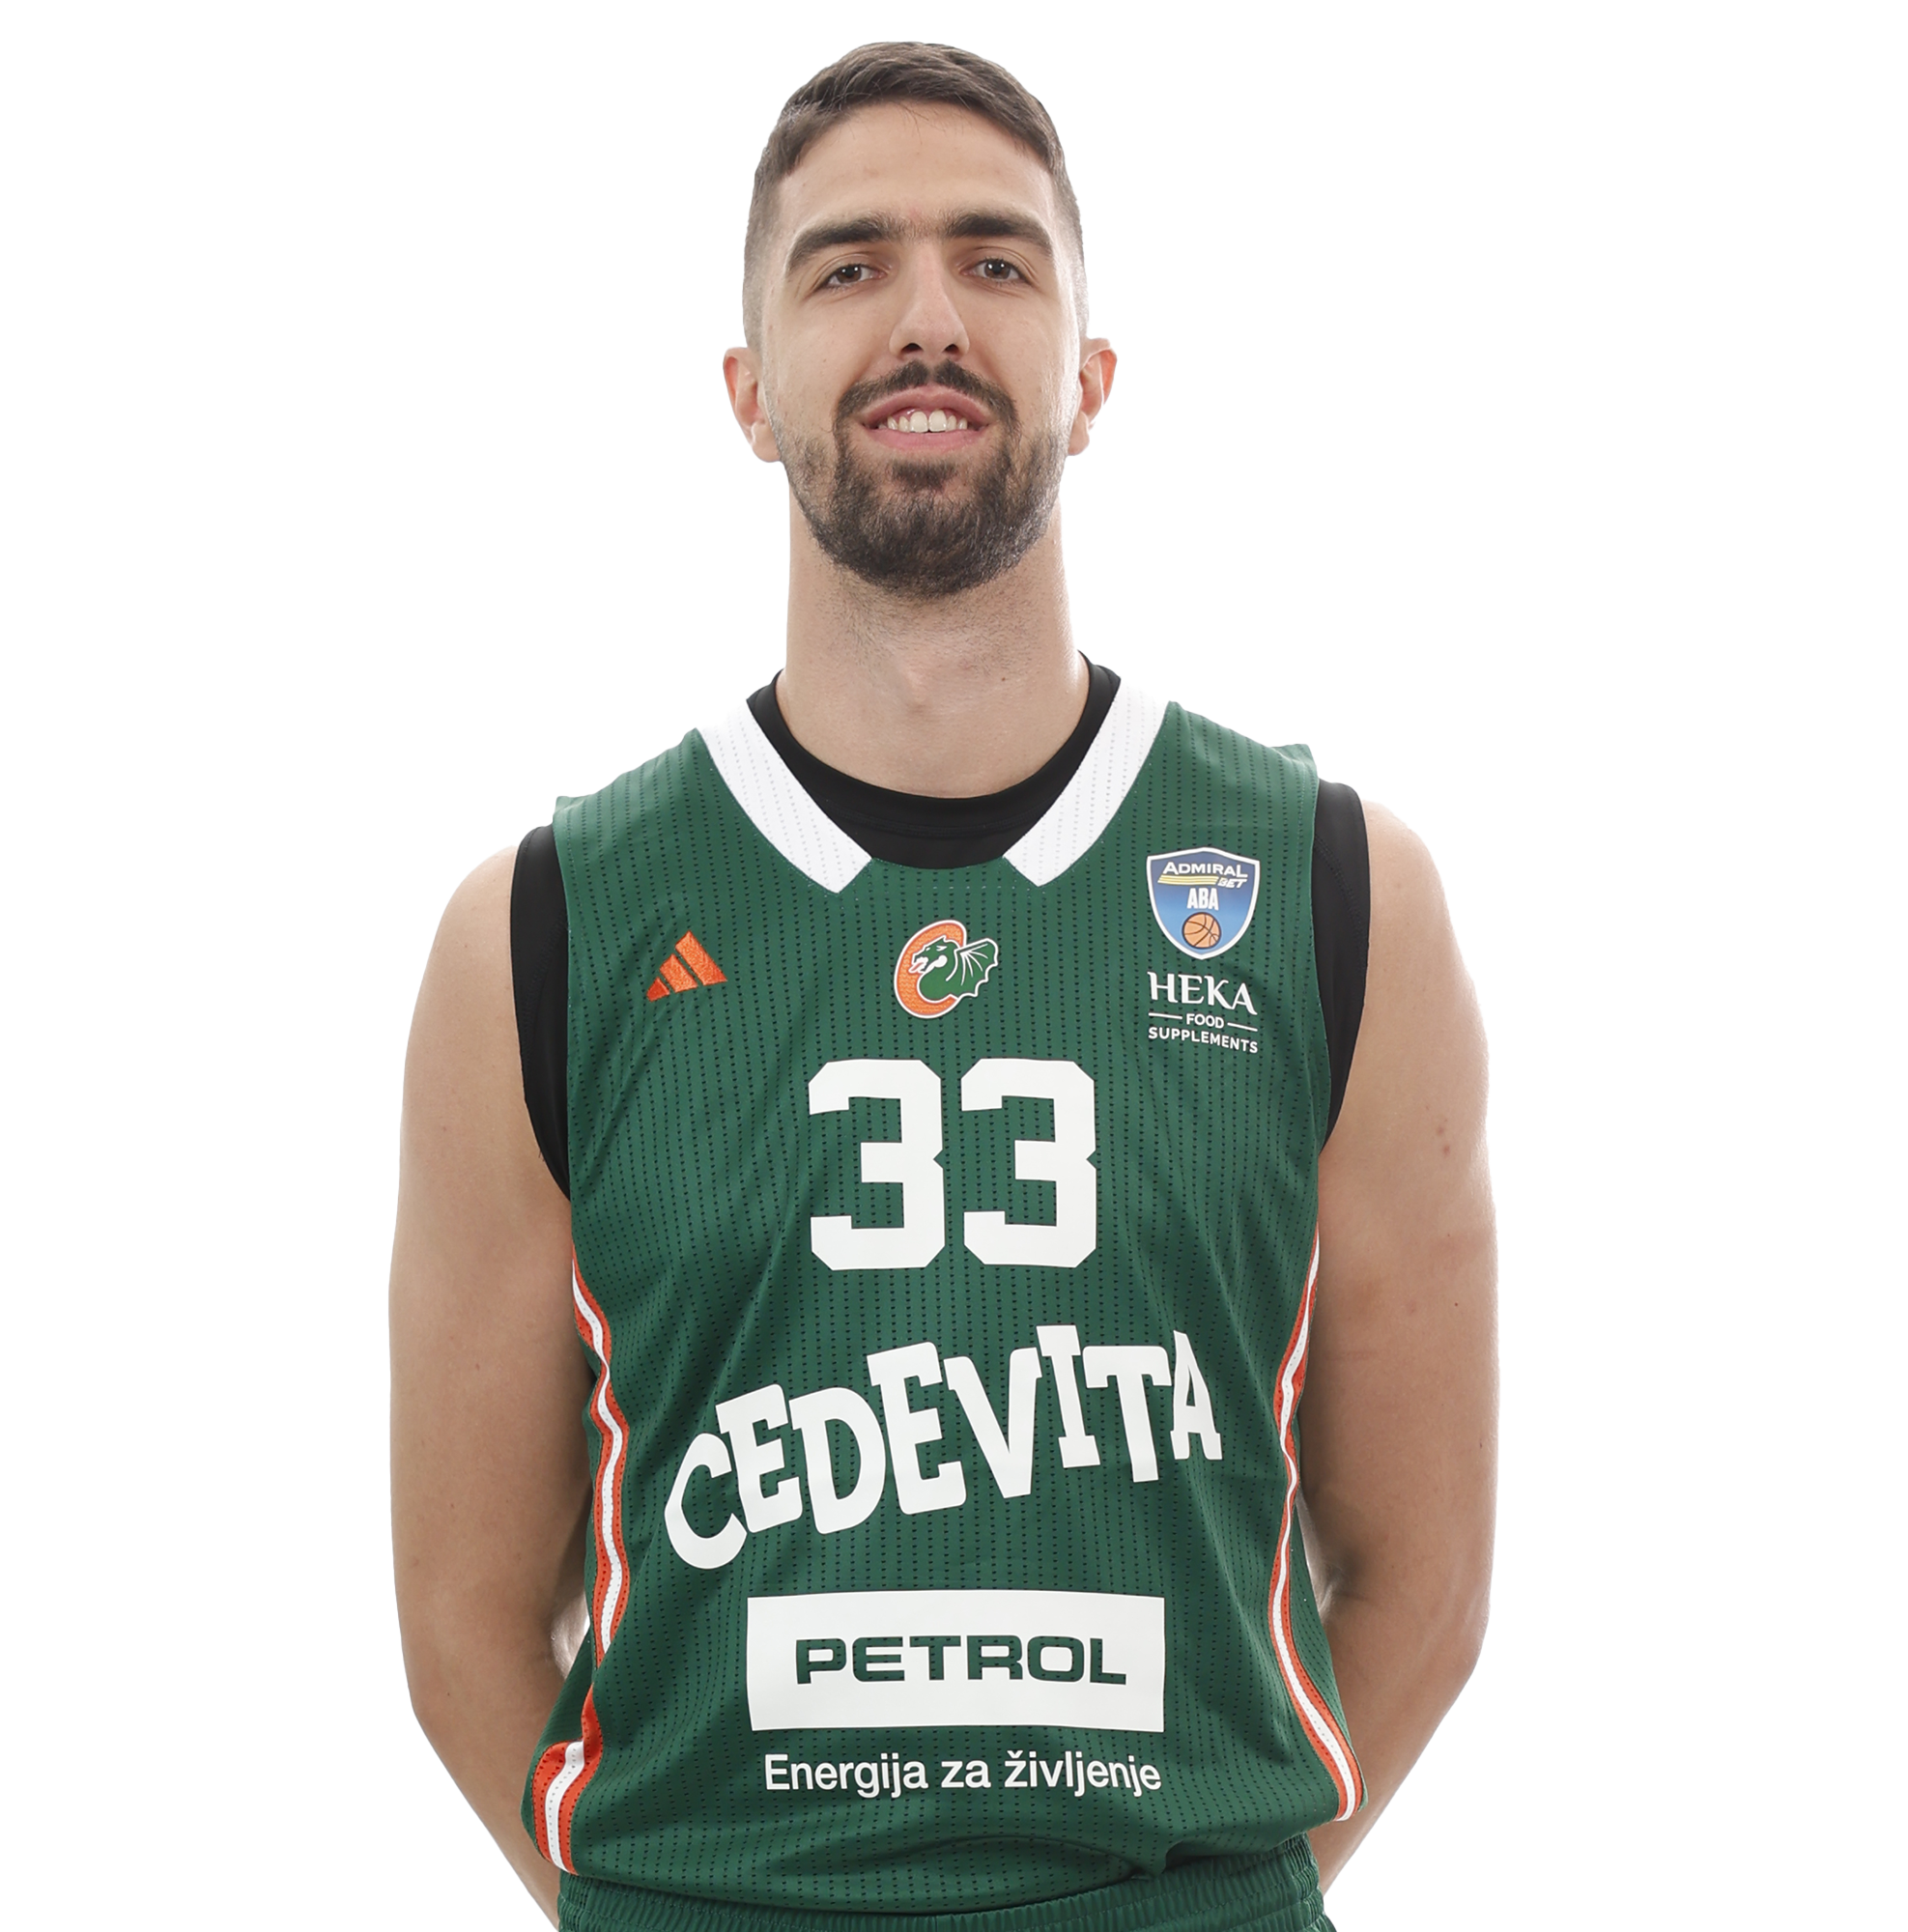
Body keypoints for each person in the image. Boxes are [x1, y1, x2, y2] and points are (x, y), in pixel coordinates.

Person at [391, 42, 1496, 1932]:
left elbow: (1429, 1579)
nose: (927, 317)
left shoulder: (1332, 890)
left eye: (996, 260)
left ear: (1091, 377)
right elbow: (460, 1617)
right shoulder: (546, 926)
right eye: (848, 266)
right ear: (748, 393)